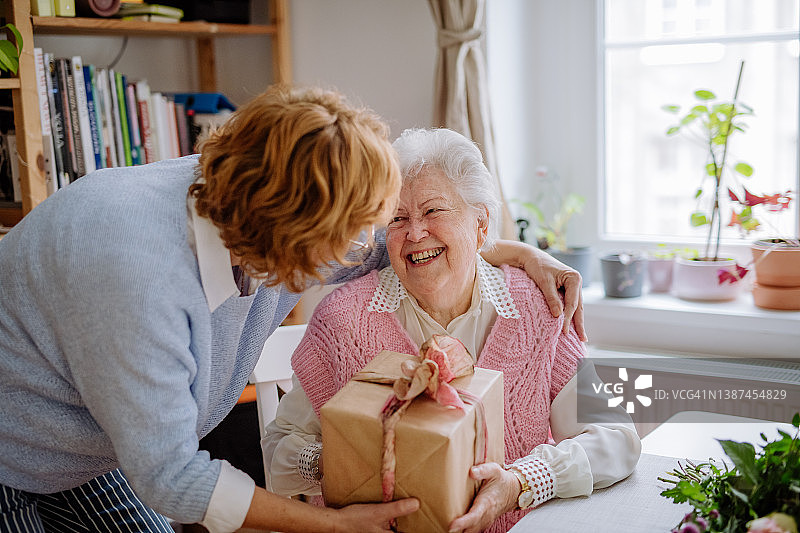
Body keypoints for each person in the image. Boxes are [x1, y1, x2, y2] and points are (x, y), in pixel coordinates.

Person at [0, 87, 584, 533]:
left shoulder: (252, 201)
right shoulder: (139, 276)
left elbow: (623, 415)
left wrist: (518, 253)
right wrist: (334, 519)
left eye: (433, 212)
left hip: (92, 448)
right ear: (288, 236)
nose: (366, 251)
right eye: (357, 235)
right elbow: (180, 475)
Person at [263, 128, 641, 533]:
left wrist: (521, 482)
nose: (414, 233)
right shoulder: (343, 319)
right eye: (398, 219)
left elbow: (615, 437)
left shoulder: (537, 306)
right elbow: (278, 450)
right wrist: (333, 460)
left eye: (433, 211)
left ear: (481, 224)